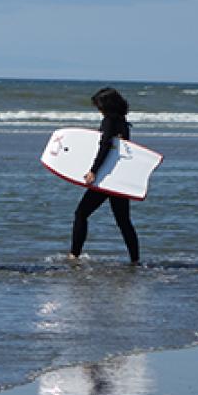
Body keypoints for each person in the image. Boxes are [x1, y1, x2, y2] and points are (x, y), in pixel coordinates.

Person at [69, 87, 140, 263]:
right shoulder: (123, 122)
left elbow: (105, 146)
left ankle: (74, 255)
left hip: (107, 179)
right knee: (124, 222)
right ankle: (135, 260)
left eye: (99, 106)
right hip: (119, 178)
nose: (98, 110)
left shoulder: (109, 121)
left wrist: (94, 171)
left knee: (81, 213)